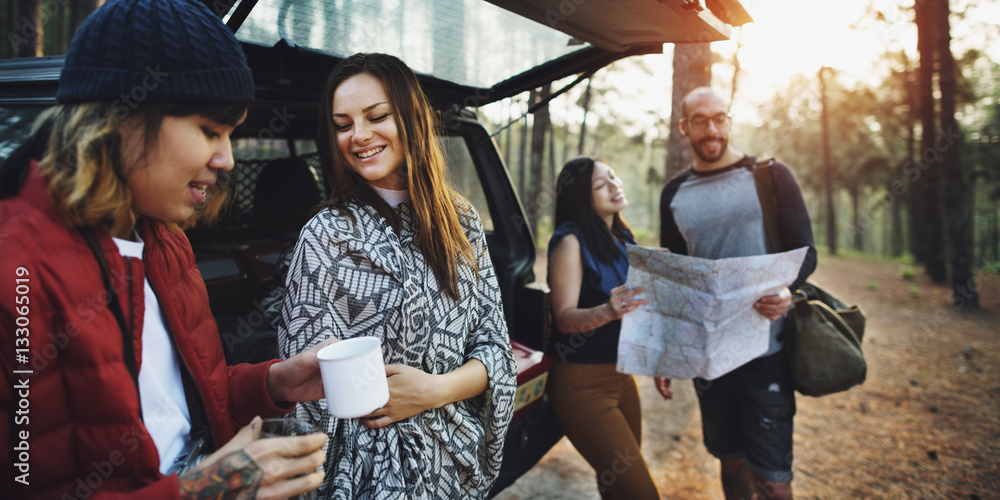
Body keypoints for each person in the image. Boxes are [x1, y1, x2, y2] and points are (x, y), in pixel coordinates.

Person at [0, 1, 332, 498]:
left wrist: (274, 384)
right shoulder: (15, 274)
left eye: (231, 134)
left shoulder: (166, 243)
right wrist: (200, 491)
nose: (227, 159)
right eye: (209, 130)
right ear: (121, 119)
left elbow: (190, 402)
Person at [276, 52, 516, 499]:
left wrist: (434, 390)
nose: (359, 136)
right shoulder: (327, 235)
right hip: (360, 476)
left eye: (377, 116)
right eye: (343, 124)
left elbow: (496, 350)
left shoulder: (459, 220)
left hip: (453, 467)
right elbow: (305, 400)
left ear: (409, 117)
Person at [656, 87, 817, 500]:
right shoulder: (674, 194)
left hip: (766, 353)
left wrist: (787, 290)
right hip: (709, 358)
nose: (711, 130)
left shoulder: (769, 175)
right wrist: (666, 347)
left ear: (728, 121)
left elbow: (805, 252)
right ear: (684, 127)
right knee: (731, 464)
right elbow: (678, 278)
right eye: (700, 121)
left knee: (774, 481)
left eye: (719, 118)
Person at [545, 156, 660, 499]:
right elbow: (564, 319)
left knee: (617, 490)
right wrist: (608, 310)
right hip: (582, 385)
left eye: (613, 176)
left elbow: (639, 310)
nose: (614, 185)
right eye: (600, 184)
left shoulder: (624, 238)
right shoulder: (569, 241)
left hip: (623, 377)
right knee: (641, 494)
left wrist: (660, 358)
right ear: (582, 196)